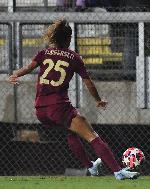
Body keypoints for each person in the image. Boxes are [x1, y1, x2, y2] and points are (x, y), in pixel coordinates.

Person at [8, 18, 139, 180]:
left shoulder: (44, 53)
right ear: (69, 38)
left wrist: (14, 75)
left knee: (71, 133)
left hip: (40, 109)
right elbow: (89, 83)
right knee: (92, 136)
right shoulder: (73, 57)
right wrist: (98, 100)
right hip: (58, 107)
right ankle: (118, 172)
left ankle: (91, 167)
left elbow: (28, 68)